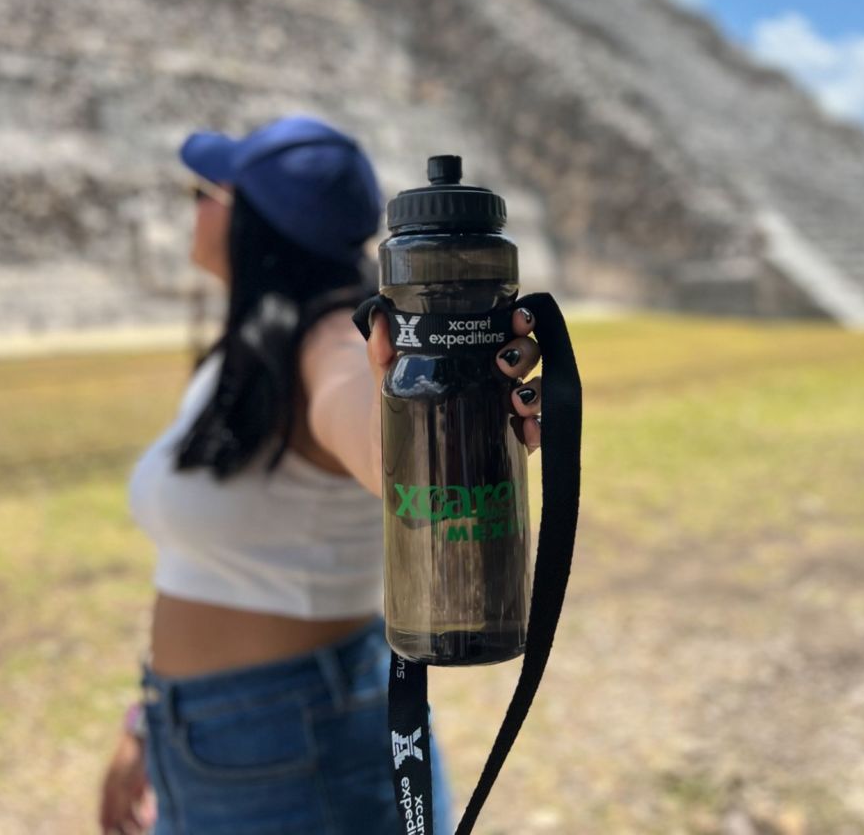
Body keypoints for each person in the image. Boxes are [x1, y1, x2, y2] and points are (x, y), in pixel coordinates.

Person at [98, 114, 543, 835]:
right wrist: (145, 722)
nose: (193, 209)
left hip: (298, 743)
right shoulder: (249, 356)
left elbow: (360, 412)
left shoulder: (333, 339)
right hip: (207, 730)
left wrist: (423, 424)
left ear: (255, 223)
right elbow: (199, 575)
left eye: (202, 194)